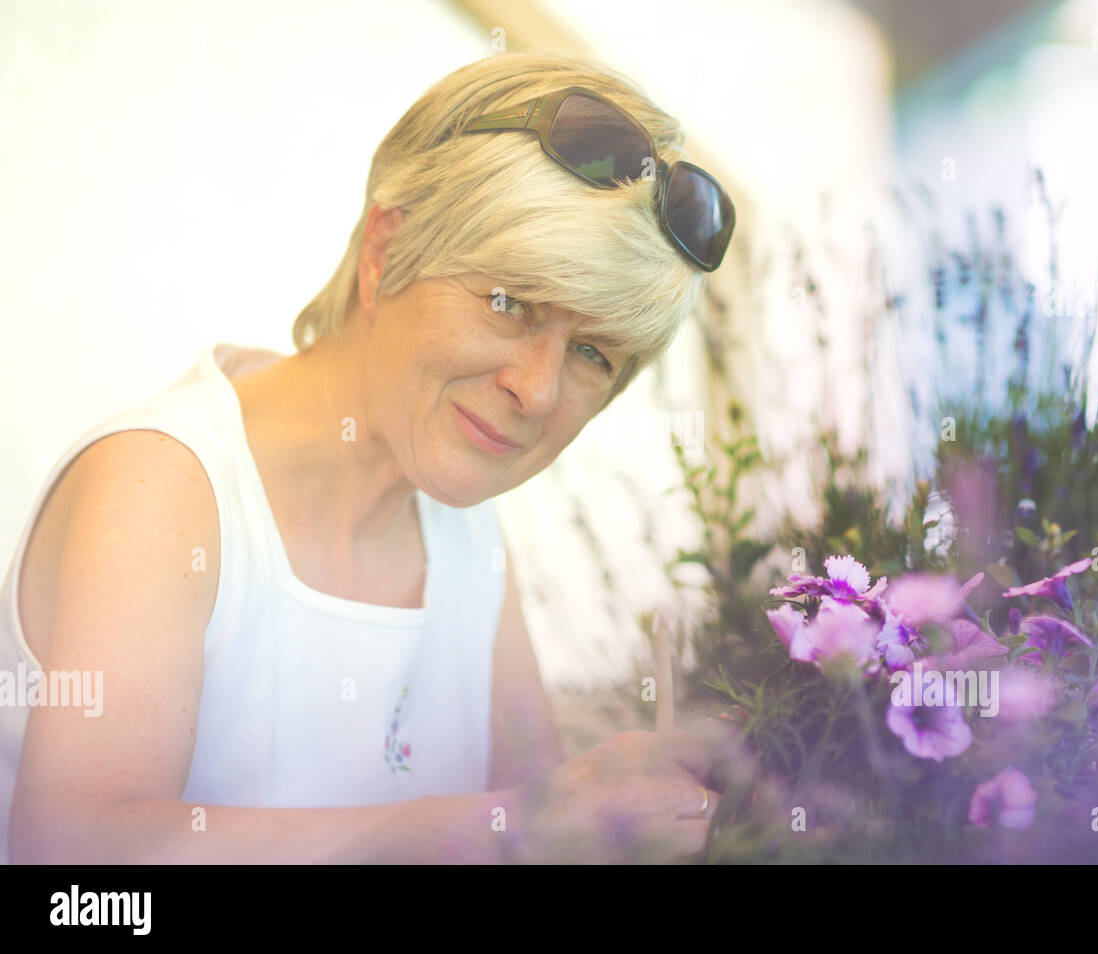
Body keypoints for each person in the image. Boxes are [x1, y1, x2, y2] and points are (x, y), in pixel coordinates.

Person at [0, 49, 736, 864]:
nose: (535, 387)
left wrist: (624, 799)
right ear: (386, 252)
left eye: (593, 352)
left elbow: (539, 816)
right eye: (509, 301)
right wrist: (500, 829)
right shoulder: (165, 486)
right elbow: (72, 870)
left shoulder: (471, 542)